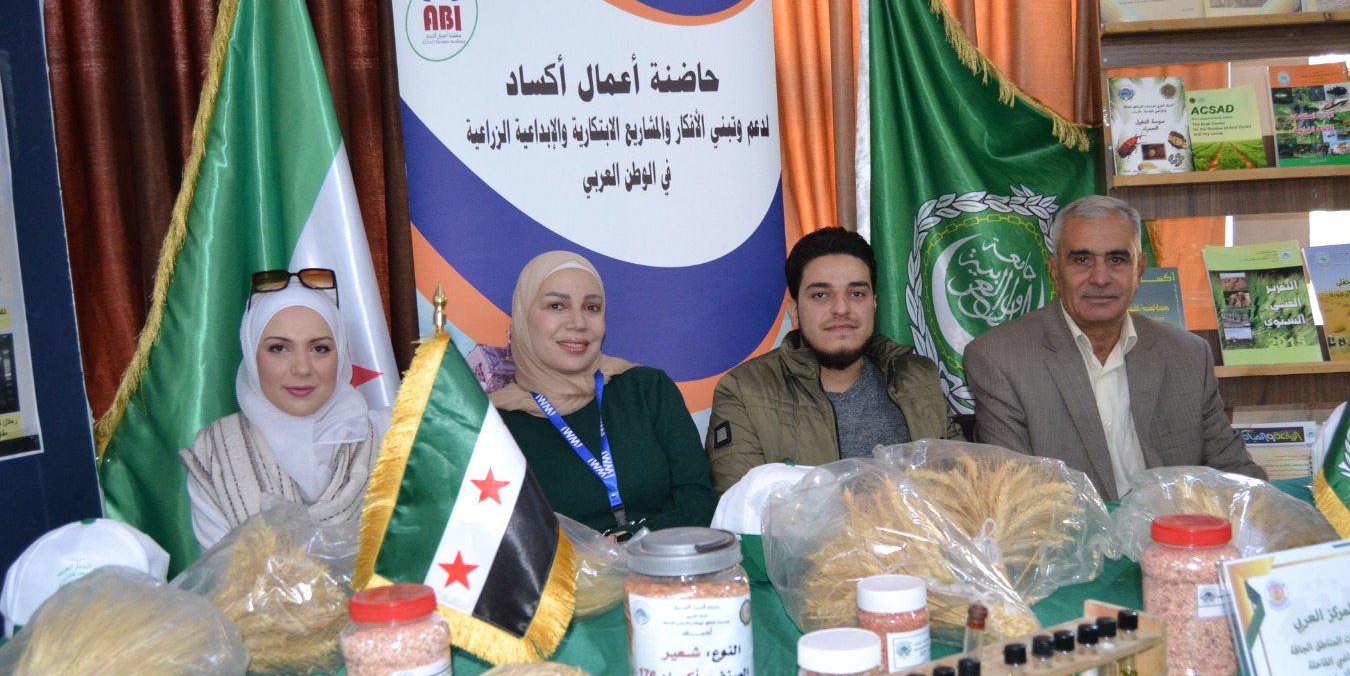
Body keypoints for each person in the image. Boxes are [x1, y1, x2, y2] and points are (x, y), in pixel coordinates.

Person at [963, 194, 1262, 502]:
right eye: (1082, 260)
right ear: (1054, 270)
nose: (1100, 278)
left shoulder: (1188, 354)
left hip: (1176, 529)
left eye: (1117, 260)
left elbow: (1237, 476)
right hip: (1069, 532)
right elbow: (1015, 502)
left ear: (1140, 269)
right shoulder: (1000, 360)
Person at [705, 227, 961, 494]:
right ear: (795, 310)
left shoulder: (919, 377)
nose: (841, 308)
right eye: (820, 295)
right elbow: (744, 508)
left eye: (856, 293)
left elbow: (967, 486)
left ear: (874, 304)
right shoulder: (743, 392)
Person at [491, 250, 717, 535]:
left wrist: (631, 542)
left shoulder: (648, 391)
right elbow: (504, 541)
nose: (578, 322)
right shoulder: (495, 427)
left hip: (663, 560)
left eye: (592, 307)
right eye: (557, 306)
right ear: (524, 318)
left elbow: (699, 502)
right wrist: (591, 555)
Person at [182, 269, 391, 550]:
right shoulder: (217, 455)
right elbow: (222, 573)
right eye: (279, 348)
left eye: (319, 349)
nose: (302, 368)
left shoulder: (390, 440)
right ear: (252, 354)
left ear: (340, 354)